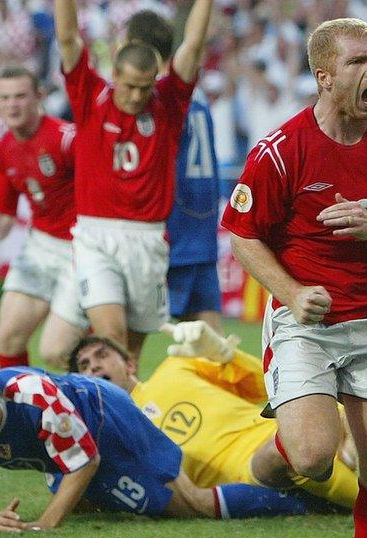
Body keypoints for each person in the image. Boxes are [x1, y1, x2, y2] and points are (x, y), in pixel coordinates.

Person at [221, 18, 367, 538]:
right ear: (324, 76)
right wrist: (292, 293)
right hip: (307, 321)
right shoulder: (281, 150)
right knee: (315, 459)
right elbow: (243, 236)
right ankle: (275, 458)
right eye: (358, 62)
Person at [68, 320, 367, 519]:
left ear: (129, 361)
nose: (94, 367)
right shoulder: (117, 428)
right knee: (290, 452)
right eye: (83, 366)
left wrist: (223, 354)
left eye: (102, 356)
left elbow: (264, 387)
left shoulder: (177, 368)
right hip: (248, 467)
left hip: (276, 425)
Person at [0, 356, 323, 532]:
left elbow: (84, 463)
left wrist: (43, 525)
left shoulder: (33, 395)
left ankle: (301, 503)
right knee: (82, 500)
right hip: (64, 444)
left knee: (190, 507)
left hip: (104, 416)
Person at [54, 0, 212, 359]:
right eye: (129, 86)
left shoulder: (168, 103)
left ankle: (120, 412)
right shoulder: (90, 96)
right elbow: (67, 38)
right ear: (114, 75)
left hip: (148, 241)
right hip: (96, 236)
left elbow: (194, 45)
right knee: (110, 337)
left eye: (145, 87)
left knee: (129, 357)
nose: (137, 96)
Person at [0, 65, 87, 370]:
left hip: (82, 250)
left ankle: (96, 406)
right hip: (40, 246)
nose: (13, 104)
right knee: (8, 337)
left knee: (56, 351)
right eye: (5, 98)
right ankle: (20, 412)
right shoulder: (1, 151)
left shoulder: (66, 139)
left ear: (38, 97)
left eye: (21, 96)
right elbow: (2, 211)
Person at [123, 10, 224, 334]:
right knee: (210, 341)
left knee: (123, 338)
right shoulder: (199, 98)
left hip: (171, 233)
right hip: (203, 229)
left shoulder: (162, 99)